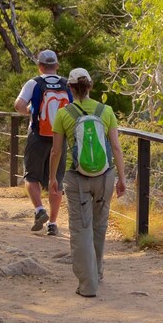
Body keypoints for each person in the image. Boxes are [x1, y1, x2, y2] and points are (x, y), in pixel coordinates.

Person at [49, 68, 126, 297]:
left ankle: (88, 284)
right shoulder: (106, 111)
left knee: (81, 228)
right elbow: (116, 147)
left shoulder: (64, 114)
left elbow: (56, 151)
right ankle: (98, 271)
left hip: (76, 178)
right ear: (90, 86)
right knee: (99, 226)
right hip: (105, 176)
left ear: (70, 88)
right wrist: (121, 178)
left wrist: (53, 177)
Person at [14, 49, 72, 235]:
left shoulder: (34, 83)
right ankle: (53, 224)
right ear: (56, 65)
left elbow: (19, 105)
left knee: (31, 177)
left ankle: (39, 210)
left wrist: (30, 111)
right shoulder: (67, 84)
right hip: (59, 139)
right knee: (56, 180)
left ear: (40, 66)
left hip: (38, 136)